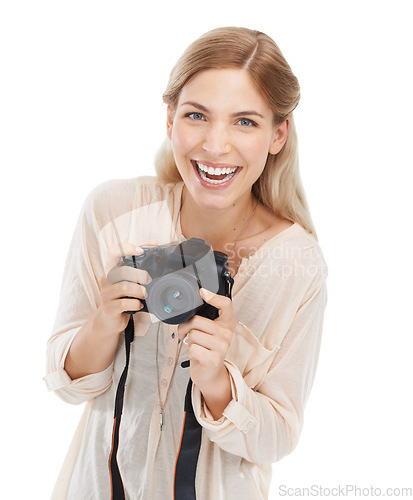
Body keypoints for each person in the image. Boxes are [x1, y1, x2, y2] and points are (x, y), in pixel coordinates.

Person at [44, 26, 328, 500]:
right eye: (197, 115)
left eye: (245, 122)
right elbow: (66, 385)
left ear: (278, 134)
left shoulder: (297, 264)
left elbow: (279, 435)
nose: (215, 147)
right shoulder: (115, 211)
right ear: (170, 117)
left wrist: (216, 378)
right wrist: (103, 322)